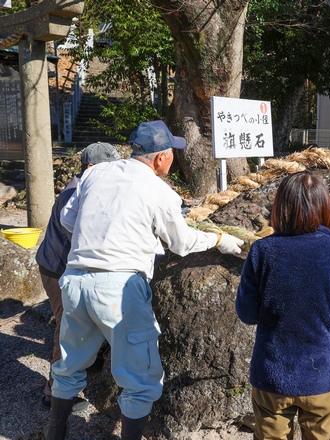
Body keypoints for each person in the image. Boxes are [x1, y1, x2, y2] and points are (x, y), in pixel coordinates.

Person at [45, 120, 245, 440]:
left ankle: (54, 433)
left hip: (75, 279)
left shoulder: (95, 173)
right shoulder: (158, 190)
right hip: (119, 288)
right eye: (171, 154)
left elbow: (68, 218)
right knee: (140, 378)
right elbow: (180, 243)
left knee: (69, 366)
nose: (173, 160)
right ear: (160, 158)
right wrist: (219, 240)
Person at [236, 171, 330, 440]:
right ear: (325, 206)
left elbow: (247, 313)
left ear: (281, 206)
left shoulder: (262, 251)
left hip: (272, 373)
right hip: (325, 376)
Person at [36, 142, 121, 413]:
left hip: (58, 265)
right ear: (93, 168)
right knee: (67, 328)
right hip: (58, 269)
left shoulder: (85, 187)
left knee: (76, 323)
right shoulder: (77, 192)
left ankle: (85, 365)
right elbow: (84, 236)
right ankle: (55, 393)